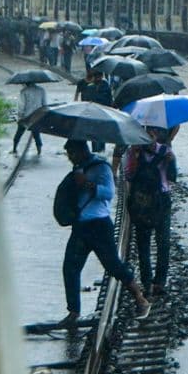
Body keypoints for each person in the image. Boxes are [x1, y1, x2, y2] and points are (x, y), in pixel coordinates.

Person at [58, 139, 151, 328]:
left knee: (113, 266)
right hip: (80, 226)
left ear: (82, 151)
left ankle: (141, 299)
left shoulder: (101, 168)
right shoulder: (77, 169)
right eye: (68, 154)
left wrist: (88, 184)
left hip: (99, 225)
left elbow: (109, 193)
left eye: (72, 153)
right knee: (70, 268)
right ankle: (73, 312)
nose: (70, 158)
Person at [123, 128, 179, 298]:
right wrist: (135, 157)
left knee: (163, 242)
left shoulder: (166, 151)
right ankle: (147, 282)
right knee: (143, 243)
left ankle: (159, 282)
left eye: (152, 135)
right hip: (141, 202)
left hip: (161, 200)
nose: (150, 138)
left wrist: (171, 162)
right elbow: (128, 175)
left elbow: (172, 178)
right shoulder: (133, 152)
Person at [79, 70, 113, 153]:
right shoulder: (97, 86)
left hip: (98, 114)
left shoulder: (102, 86)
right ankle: (99, 150)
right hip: (99, 114)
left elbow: (84, 100)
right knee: (98, 134)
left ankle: (98, 150)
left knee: (97, 134)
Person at [11, 81, 47, 155]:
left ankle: (14, 149)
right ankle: (39, 150)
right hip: (37, 116)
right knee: (36, 134)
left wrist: (20, 117)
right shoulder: (41, 90)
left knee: (19, 133)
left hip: (26, 116)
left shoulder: (24, 91)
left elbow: (21, 106)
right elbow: (45, 104)